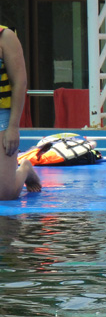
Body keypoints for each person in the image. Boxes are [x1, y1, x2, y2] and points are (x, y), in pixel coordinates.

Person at [0, 25, 41, 200]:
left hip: (2, 115)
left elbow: (19, 82)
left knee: (4, 193)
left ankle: (25, 168)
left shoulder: (5, 36)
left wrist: (13, 127)